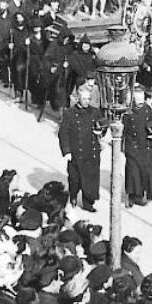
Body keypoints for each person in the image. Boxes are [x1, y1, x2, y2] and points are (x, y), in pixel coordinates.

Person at [59, 83, 106, 212]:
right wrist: (66, 151)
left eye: (88, 99)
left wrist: (100, 132)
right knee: (75, 178)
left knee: (91, 178)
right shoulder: (69, 113)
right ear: (78, 98)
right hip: (76, 151)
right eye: (84, 99)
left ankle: (88, 202)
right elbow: (63, 133)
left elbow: (103, 124)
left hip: (91, 152)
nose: (86, 101)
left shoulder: (95, 112)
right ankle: (73, 196)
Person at [123, 84, 152, 206]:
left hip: (146, 145)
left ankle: (147, 192)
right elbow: (123, 128)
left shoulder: (148, 109)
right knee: (133, 172)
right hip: (133, 145)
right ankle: (132, 196)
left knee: (147, 170)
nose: (140, 101)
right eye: (137, 98)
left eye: (141, 98)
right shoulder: (128, 111)